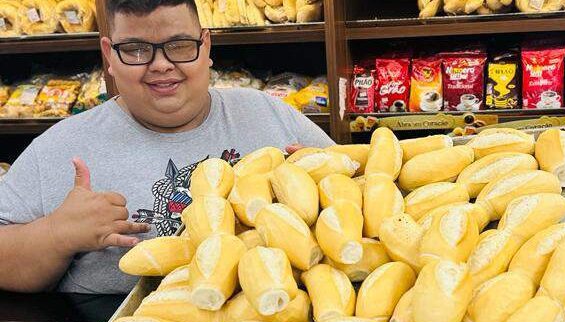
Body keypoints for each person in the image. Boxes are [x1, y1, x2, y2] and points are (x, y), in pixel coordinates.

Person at [0, 0, 334, 294]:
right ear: (109, 56)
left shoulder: (269, 114)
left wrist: (327, 184)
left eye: (179, 45)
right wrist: (56, 235)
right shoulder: (61, 147)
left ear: (205, 46)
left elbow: (361, 196)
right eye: (136, 49)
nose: (161, 64)